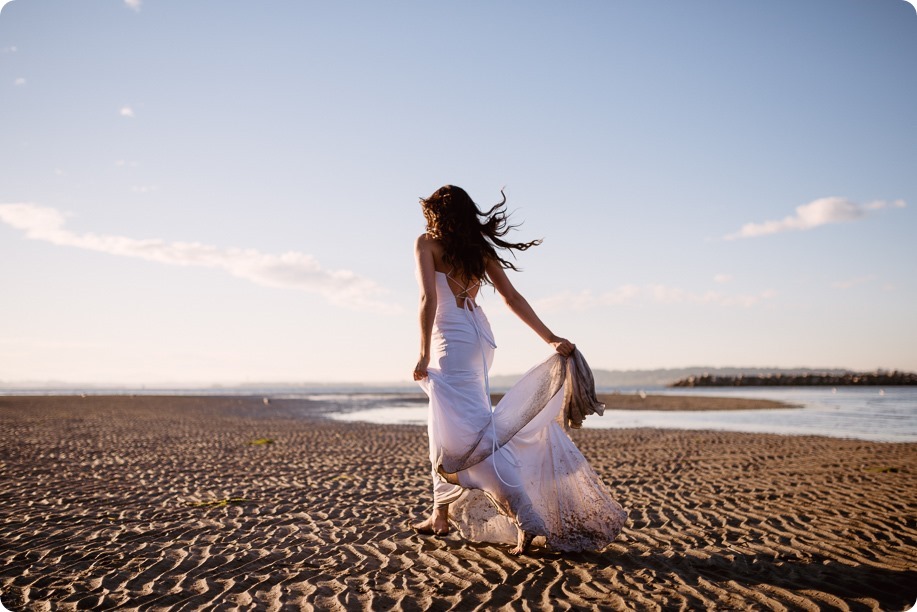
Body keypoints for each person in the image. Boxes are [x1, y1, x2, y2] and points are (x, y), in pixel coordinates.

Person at [411, 185, 626, 555]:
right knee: (450, 428)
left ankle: (529, 520)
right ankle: (439, 515)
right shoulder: (477, 250)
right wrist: (549, 337)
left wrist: (422, 353)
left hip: (452, 346)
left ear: (437, 214)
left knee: (471, 439)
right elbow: (512, 298)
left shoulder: (426, 244)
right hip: (480, 343)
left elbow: (428, 299)